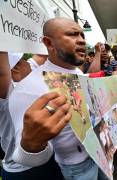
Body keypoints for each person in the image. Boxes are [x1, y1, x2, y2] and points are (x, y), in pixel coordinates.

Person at [8, 17, 99, 180]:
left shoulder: (79, 74)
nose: (81, 41)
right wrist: (31, 145)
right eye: (72, 34)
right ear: (49, 43)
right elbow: (24, 157)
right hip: (77, 168)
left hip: (100, 154)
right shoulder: (27, 90)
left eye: (82, 35)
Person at [0, 52, 64, 180]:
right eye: (25, 60)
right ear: (16, 68)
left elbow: (40, 57)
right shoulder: (8, 94)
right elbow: (2, 73)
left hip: (41, 160)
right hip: (24, 171)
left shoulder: (26, 86)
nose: (30, 63)